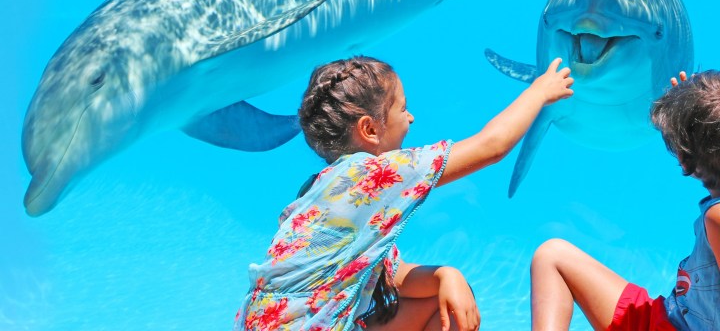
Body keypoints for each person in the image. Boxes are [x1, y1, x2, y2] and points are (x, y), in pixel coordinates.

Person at [233, 55, 573, 331]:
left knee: (435, 298)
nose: (410, 117)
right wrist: (540, 92)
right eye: (401, 108)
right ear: (369, 129)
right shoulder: (367, 173)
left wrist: (445, 275)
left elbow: (393, 276)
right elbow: (491, 147)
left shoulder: (318, 192)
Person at [530, 70, 720, 331]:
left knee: (551, 254)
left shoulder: (716, 217)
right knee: (552, 256)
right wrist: (685, 105)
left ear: (685, 161)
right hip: (665, 315)